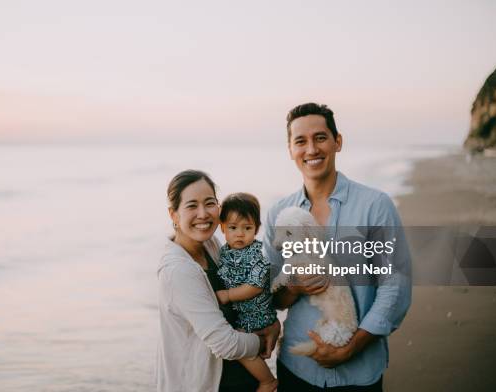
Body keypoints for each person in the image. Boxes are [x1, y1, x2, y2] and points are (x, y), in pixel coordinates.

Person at [263, 103, 412, 391]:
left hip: (358, 372)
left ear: (337, 142)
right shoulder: (279, 214)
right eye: (300, 141)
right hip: (297, 369)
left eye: (320, 138)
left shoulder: (375, 206)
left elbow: (395, 286)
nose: (311, 149)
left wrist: (351, 347)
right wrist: (294, 287)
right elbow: (270, 294)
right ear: (290, 150)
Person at [157, 170, 281, 392]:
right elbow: (225, 344)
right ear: (173, 215)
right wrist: (260, 340)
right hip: (207, 385)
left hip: (240, 377)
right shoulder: (178, 270)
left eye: (210, 203)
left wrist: (272, 323)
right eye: (192, 205)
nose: (203, 214)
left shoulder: (211, 245)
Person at [215, 193, 278, 392]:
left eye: (247, 228)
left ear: (257, 229)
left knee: (241, 346)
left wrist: (228, 295)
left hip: (257, 314)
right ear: (222, 227)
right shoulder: (223, 252)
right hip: (242, 313)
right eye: (233, 228)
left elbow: (255, 286)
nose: (240, 234)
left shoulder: (259, 254)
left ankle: (268, 381)